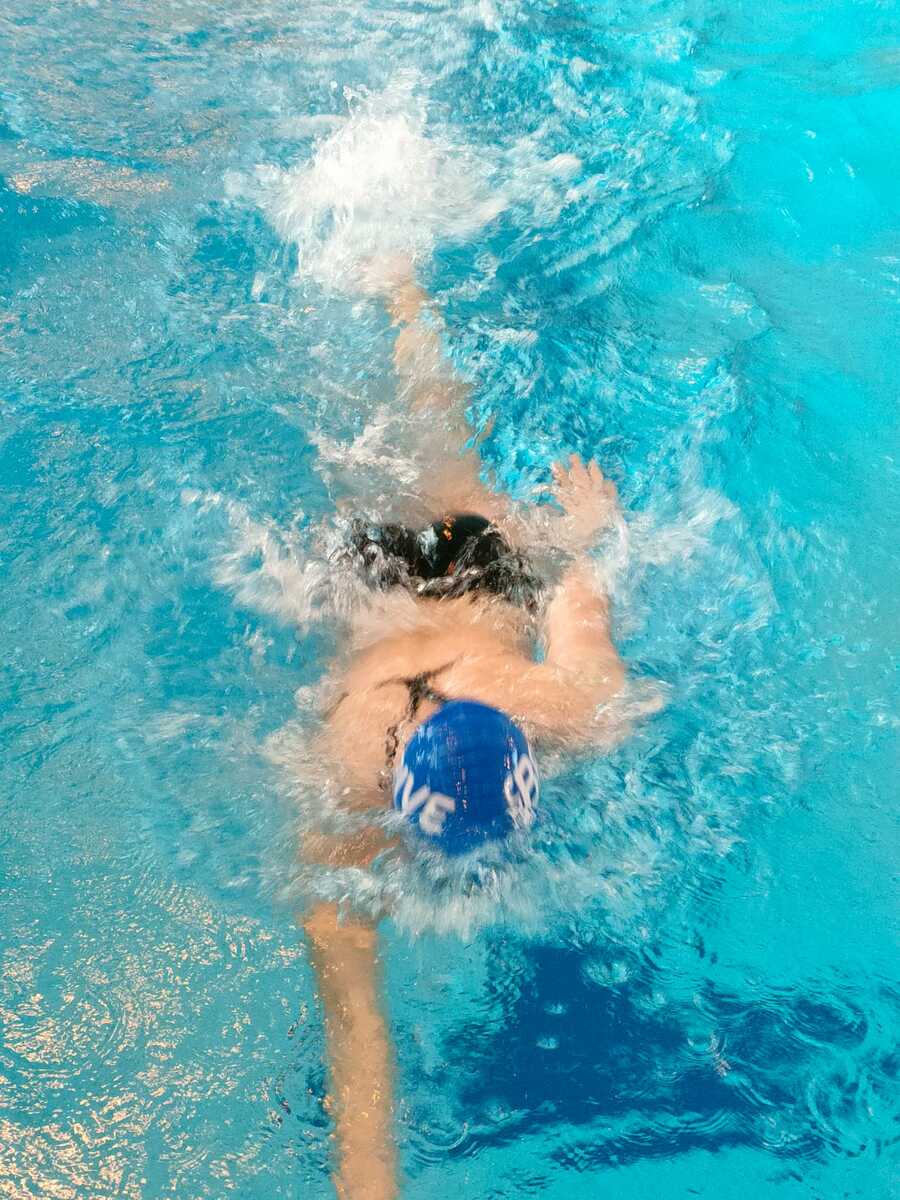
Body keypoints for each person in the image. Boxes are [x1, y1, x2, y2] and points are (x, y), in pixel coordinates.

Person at [299, 264, 635, 1200]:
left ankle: (402, 293)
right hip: (398, 576)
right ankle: (403, 292)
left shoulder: (353, 779)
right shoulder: (559, 710)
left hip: (431, 578)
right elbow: (577, 600)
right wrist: (578, 541)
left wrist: (573, 546)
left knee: (432, 430)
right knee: (417, 440)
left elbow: (358, 1042)